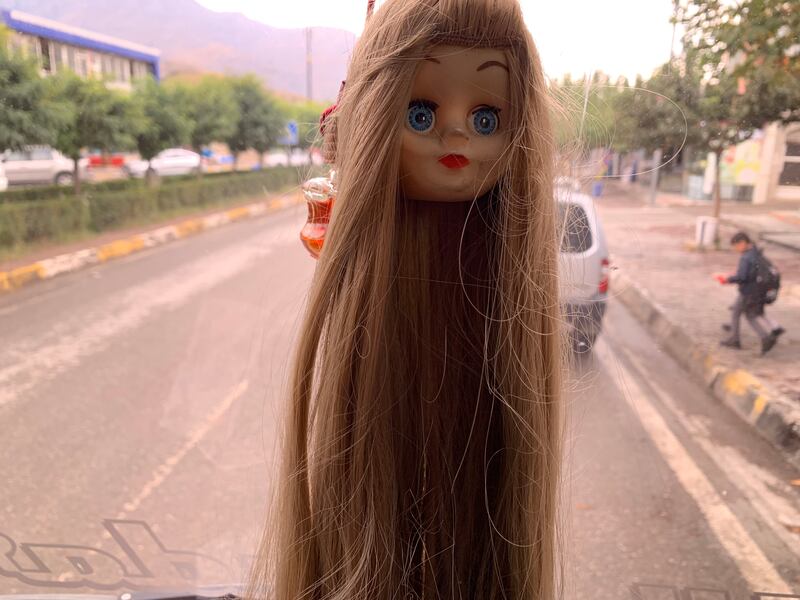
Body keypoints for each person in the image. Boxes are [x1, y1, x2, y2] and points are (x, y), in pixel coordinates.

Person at [247, 1, 564, 599]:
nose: (456, 133)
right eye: (421, 112)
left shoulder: (509, 320)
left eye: (488, 117)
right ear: (367, 124)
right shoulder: (360, 313)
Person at [716, 231, 785, 354]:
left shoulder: (746, 257)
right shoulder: (755, 252)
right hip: (757, 291)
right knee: (737, 312)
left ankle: (764, 338)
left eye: (736, 246)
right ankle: (735, 338)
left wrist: (727, 279)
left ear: (742, 243)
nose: (736, 249)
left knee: (750, 315)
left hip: (749, 292)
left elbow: (743, 277)